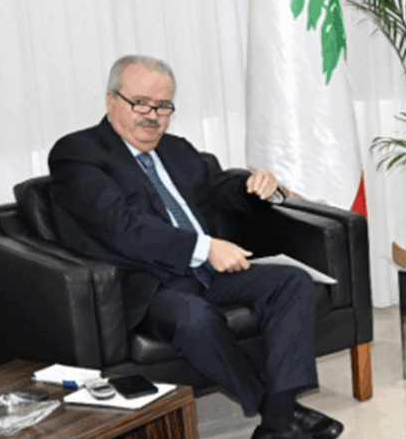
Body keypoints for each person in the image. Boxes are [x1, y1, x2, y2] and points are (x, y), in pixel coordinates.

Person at [47, 55, 344, 439]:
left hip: (208, 272)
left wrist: (255, 185)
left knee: (293, 282)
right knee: (195, 318)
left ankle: (278, 420)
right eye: (140, 103)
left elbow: (217, 188)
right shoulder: (78, 153)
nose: (152, 116)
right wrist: (204, 248)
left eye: (163, 106)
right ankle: (280, 414)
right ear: (111, 100)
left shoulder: (177, 149)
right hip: (149, 284)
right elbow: (122, 228)